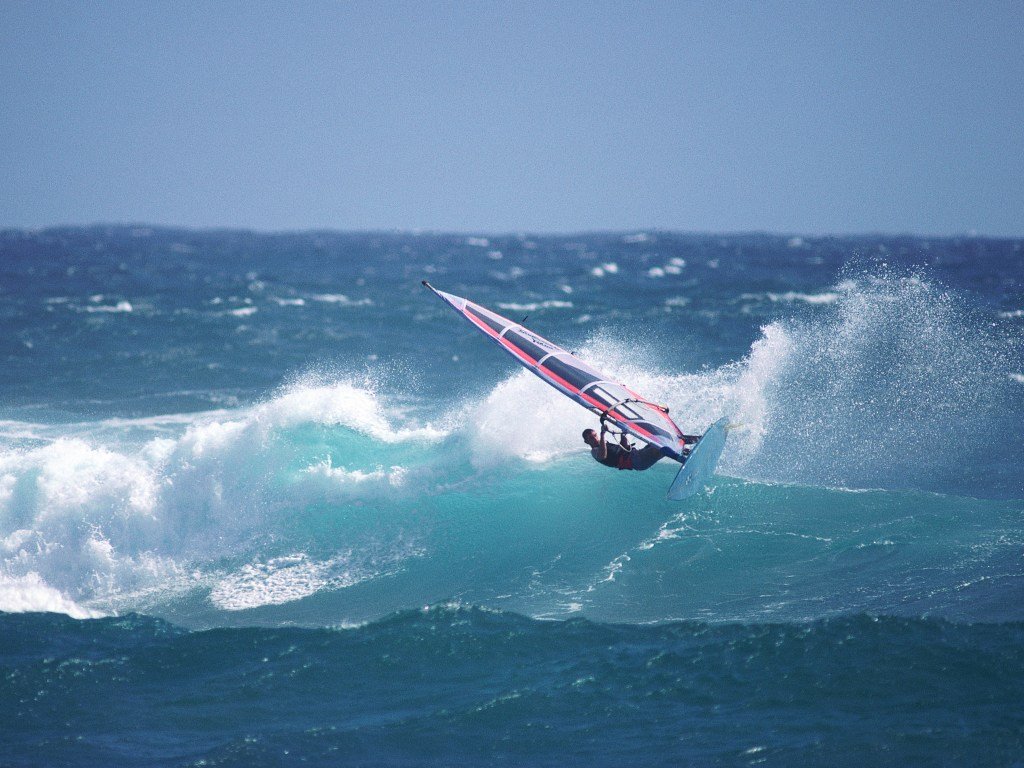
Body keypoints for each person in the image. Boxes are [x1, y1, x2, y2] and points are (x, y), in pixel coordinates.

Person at [582, 422, 668, 471]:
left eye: (595, 435)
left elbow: (623, 447)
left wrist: (623, 432)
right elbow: (602, 456)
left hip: (637, 453)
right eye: (591, 438)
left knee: (660, 440)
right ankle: (678, 452)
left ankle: (679, 447)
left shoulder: (604, 444)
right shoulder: (594, 451)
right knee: (661, 448)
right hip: (637, 461)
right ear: (586, 441)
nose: (595, 438)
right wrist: (603, 434)